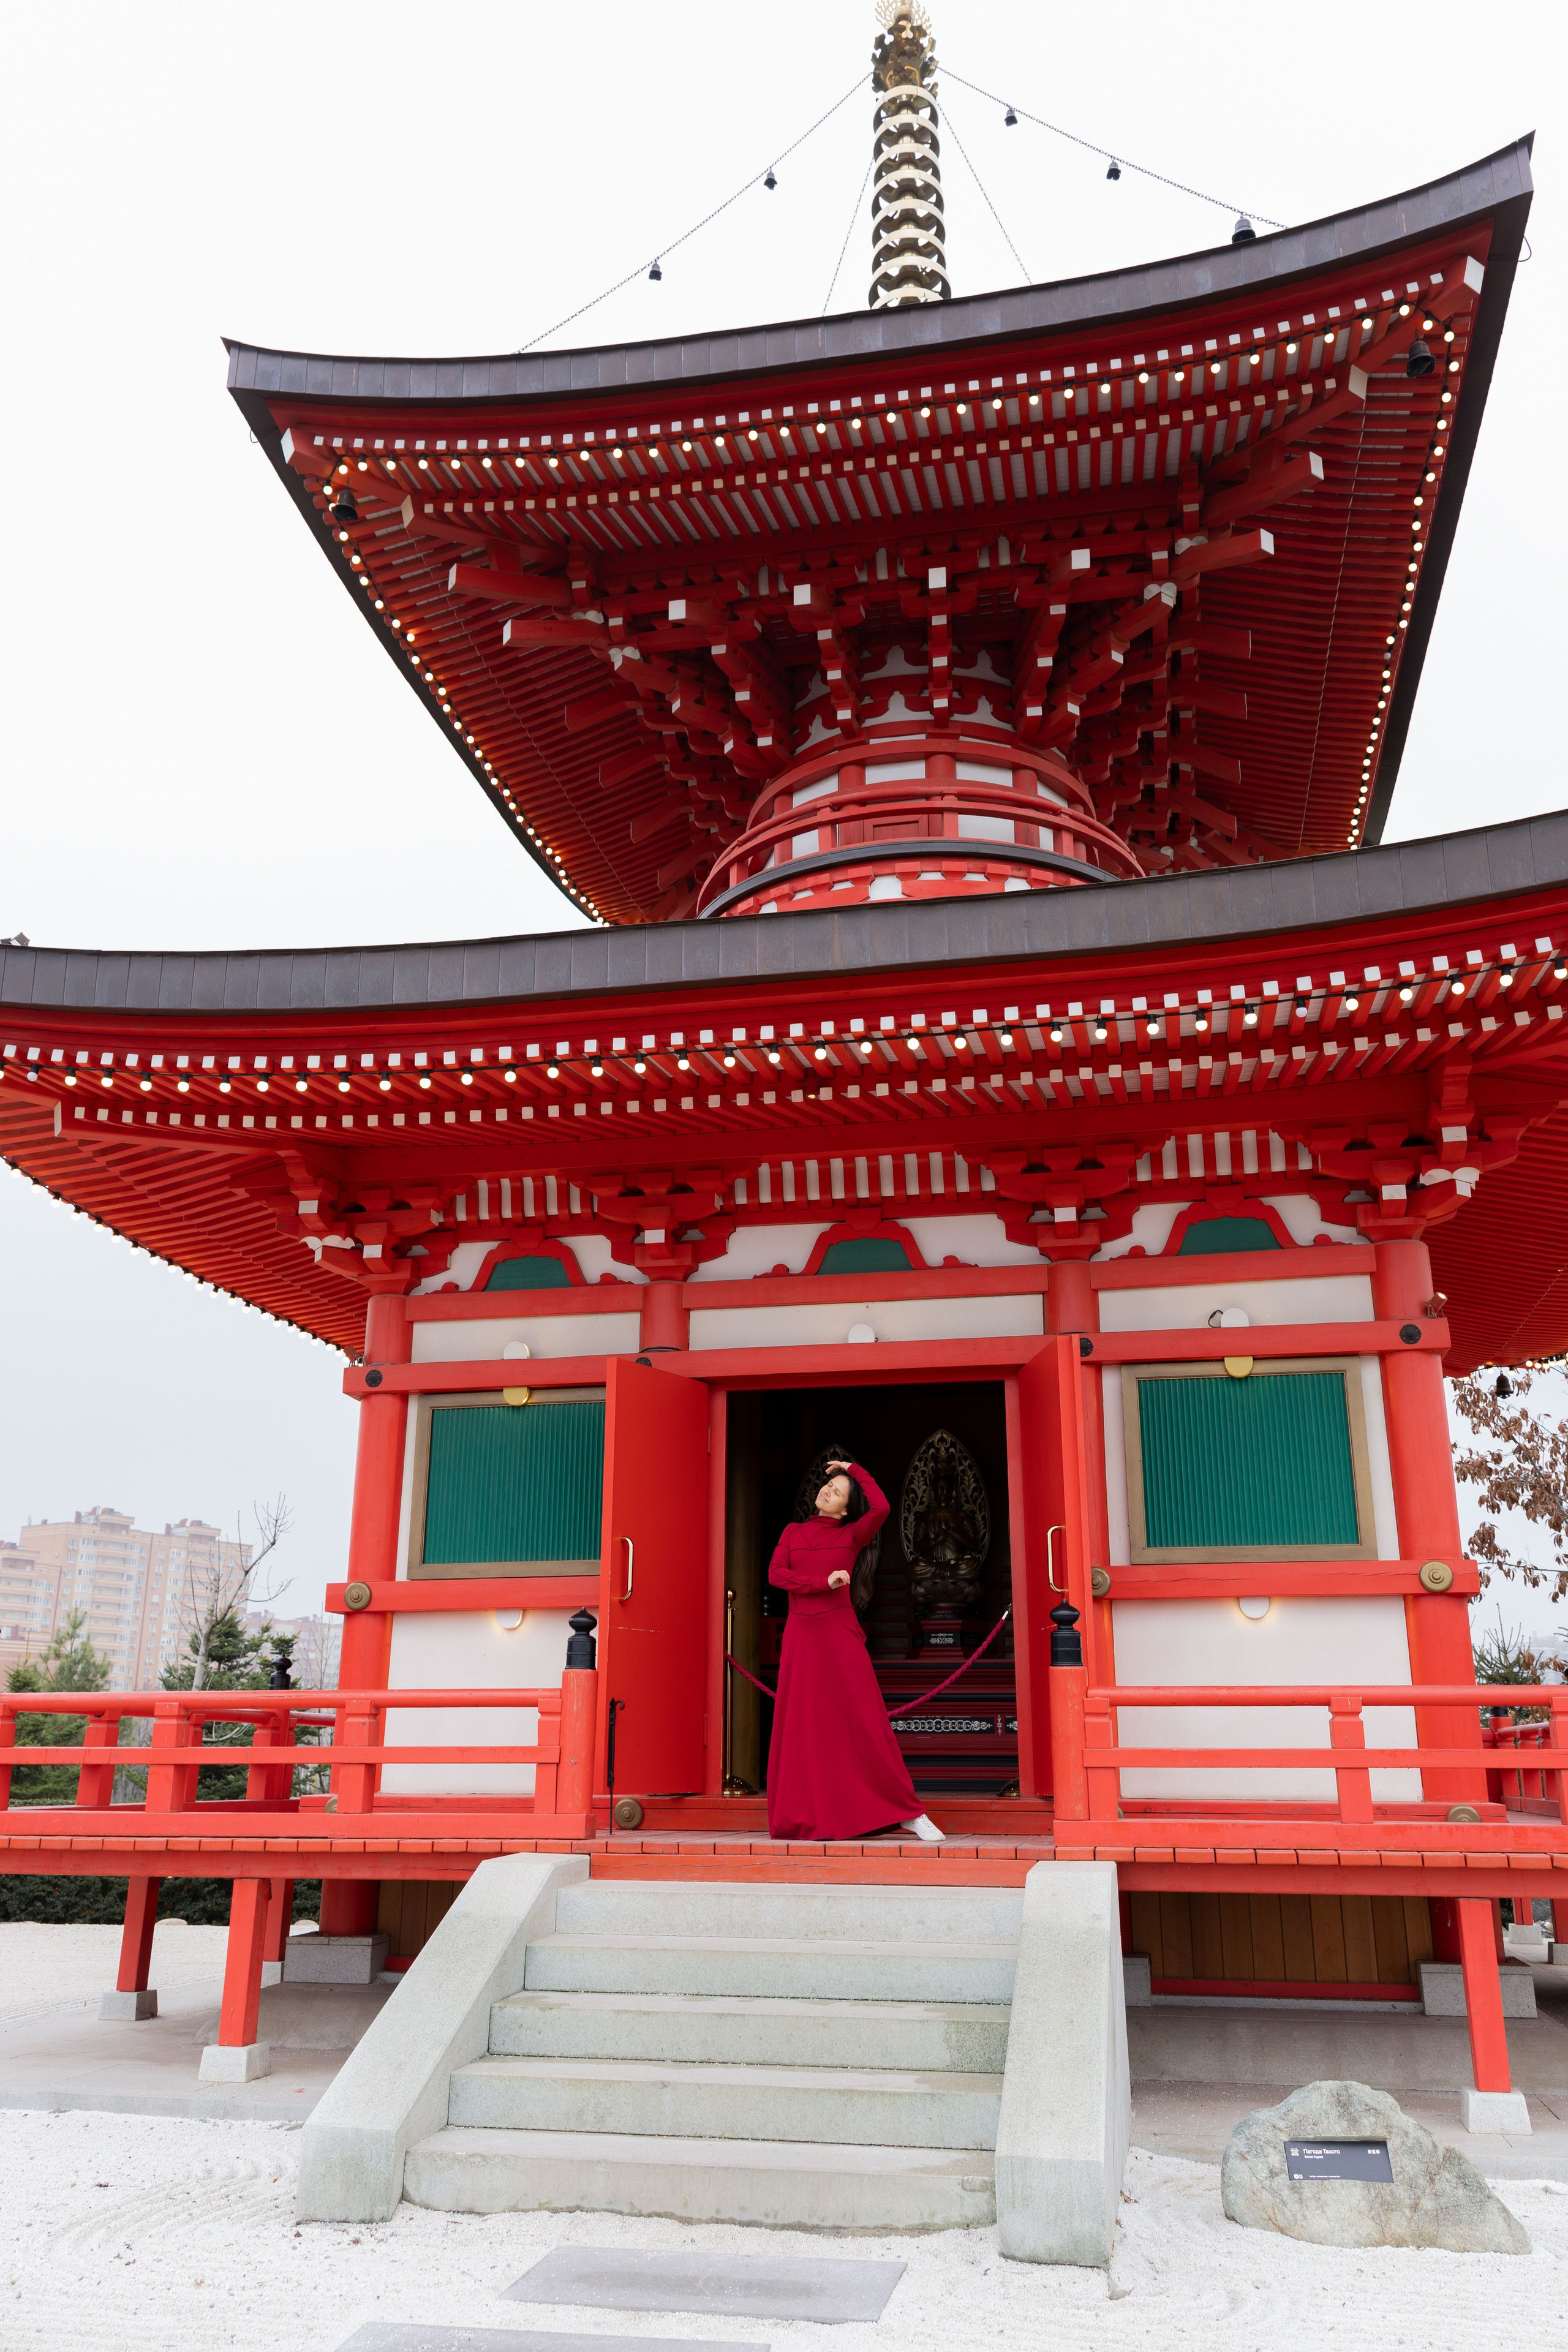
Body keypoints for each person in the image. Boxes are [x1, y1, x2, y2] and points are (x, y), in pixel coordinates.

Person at [764, 1456, 944, 1843]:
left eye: (837, 1491)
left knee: (864, 1721)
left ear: (846, 1508)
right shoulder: (793, 1532)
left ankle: (909, 1813)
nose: (826, 1490)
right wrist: (821, 1583)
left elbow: (882, 1506)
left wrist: (853, 1469)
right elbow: (775, 1574)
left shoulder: (853, 1535)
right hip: (802, 1635)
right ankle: (813, 1815)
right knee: (805, 1725)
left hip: (839, 1633)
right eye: (828, 1486)